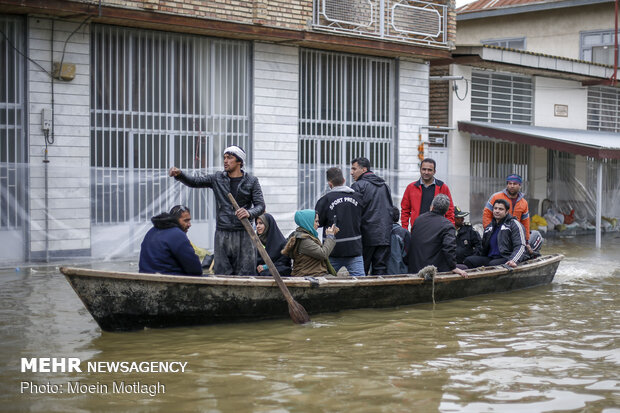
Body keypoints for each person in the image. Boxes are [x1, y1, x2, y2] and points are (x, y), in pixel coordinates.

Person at [169, 145, 265, 275]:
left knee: (246, 273)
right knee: (223, 272)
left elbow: (260, 206)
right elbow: (194, 181)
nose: (225, 161)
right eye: (224, 157)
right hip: (222, 233)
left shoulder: (252, 181)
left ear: (240, 162)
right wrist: (180, 175)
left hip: (244, 232)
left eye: (230, 158)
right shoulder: (217, 178)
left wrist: (249, 212)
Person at [314, 167, 365, 276]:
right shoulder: (359, 198)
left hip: (333, 251)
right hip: (354, 250)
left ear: (330, 183)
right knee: (361, 283)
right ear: (344, 180)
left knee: (326, 283)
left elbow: (318, 222)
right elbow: (364, 219)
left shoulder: (325, 200)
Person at [350, 157, 394, 275]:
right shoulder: (384, 186)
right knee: (380, 271)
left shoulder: (358, 186)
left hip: (366, 236)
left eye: (354, 169)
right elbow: (391, 210)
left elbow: (353, 213)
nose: (351, 172)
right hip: (384, 236)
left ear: (364, 169)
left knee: (361, 271)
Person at [408, 194, 468, 277]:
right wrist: (453, 267)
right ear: (446, 210)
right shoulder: (447, 225)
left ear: (432, 206)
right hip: (433, 271)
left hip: (414, 268)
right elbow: (449, 248)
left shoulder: (419, 219)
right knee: (465, 268)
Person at [139, 205, 203, 276]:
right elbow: (195, 269)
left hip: (145, 278)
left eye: (189, 220)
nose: (189, 224)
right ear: (175, 220)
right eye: (186, 220)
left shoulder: (152, 231)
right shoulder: (177, 234)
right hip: (168, 280)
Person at [464, 199, 527, 269]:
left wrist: (513, 260)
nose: (497, 211)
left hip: (507, 258)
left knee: (492, 264)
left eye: (501, 209)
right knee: (469, 260)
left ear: (507, 211)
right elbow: (482, 248)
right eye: (495, 208)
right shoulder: (489, 227)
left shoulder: (514, 224)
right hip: (490, 258)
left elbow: (521, 246)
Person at [401, 158, 455, 230]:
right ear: (420, 170)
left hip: (437, 230)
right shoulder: (411, 188)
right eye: (424, 169)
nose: (426, 172)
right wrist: (404, 229)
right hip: (417, 229)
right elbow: (405, 210)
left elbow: (450, 210)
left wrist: (450, 230)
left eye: (429, 170)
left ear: (434, 171)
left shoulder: (442, 187)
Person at [281, 210, 339, 277]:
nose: (318, 224)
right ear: (308, 222)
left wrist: (330, 236)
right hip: (310, 276)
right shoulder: (304, 240)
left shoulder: (307, 236)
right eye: (316, 221)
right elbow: (323, 254)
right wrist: (330, 236)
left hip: (314, 275)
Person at [483, 174, 531, 247]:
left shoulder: (524, 202)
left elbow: (525, 222)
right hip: (496, 232)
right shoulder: (496, 197)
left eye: (514, 184)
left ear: (520, 185)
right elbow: (487, 214)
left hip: (515, 233)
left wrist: (526, 240)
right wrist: (490, 230)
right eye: (509, 183)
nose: (512, 186)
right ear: (507, 185)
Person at [386, 206, 411, 275]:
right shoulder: (404, 233)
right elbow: (408, 257)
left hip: (383, 274)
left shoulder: (381, 233)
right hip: (402, 274)